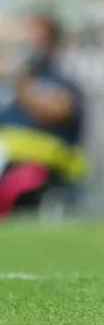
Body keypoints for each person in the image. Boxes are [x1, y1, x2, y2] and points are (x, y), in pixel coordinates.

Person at [0, 14, 86, 217]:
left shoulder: (61, 80)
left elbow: (56, 111)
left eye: (35, 37)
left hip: (45, 163)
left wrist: (18, 80)